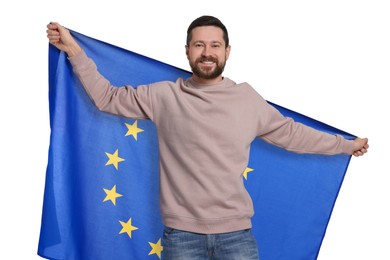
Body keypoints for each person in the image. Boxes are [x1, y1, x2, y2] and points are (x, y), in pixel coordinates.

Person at [46, 15, 369, 260]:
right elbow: (107, 98)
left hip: (237, 237)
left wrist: (345, 145)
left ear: (227, 51)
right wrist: (74, 50)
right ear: (187, 51)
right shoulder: (164, 96)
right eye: (199, 45)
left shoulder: (247, 100)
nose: (207, 52)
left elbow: (292, 134)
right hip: (181, 237)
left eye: (215, 45)